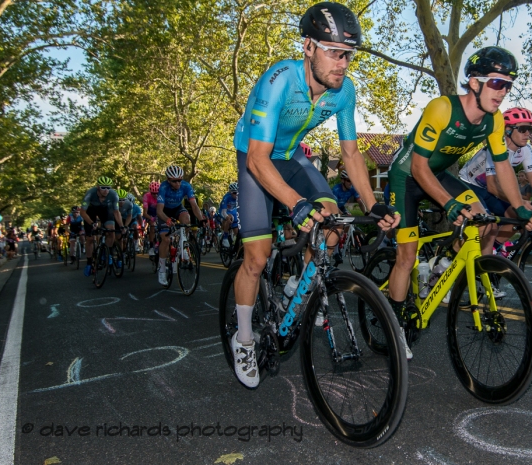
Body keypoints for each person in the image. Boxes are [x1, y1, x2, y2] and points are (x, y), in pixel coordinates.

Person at [230, 2, 398, 388]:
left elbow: (351, 153)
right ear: (308, 47)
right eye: (334, 53)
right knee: (255, 258)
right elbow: (258, 159)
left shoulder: (344, 92)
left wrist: (373, 204)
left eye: (348, 55)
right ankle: (242, 339)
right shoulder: (280, 79)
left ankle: (296, 287)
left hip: (290, 157)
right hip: (255, 156)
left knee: (333, 222)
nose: (342, 63)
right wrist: (295, 203)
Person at [386, 47, 532, 360]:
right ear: (475, 82)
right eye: (497, 83)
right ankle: (395, 325)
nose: (503, 92)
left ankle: (444, 262)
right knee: (406, 255)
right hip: (407, 177)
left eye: (508, 85)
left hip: (438, 175)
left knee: (485, 222)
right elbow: (418, 167)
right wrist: (448, 204)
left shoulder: (494, 121)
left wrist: (520, 207)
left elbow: (503, 167)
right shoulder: (442, 108)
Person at [459, 107, 532, 247]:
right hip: (471, 185)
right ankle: (456, 255)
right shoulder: (496, 147)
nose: (527, 134)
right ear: (508, 130)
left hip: (489, 189)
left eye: (530, 129)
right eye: (522, 129)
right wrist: (520, 201)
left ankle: (492, 253)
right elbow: (492, 186)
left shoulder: (526, 149)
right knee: (487, 226)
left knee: (518, 217)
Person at [156, 165, 206, 286]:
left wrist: (201, 219)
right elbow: (159, 211)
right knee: (166, 239)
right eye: (174, 181)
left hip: (178, 208)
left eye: (180, 180)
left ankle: (183, 245)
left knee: (186, 219)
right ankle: (162, 269)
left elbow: (194, 205)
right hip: (164, 212)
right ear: (168, 180)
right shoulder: (163, 187)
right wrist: (167, 220)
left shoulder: (186, 186)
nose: (178, 183)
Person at [80, 176, 124, 276]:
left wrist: (121, 226)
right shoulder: (90, 193)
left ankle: (106, 253)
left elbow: (116, 212)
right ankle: (89, 262)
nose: (106, 190)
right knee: (90, 238)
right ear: (98, 187)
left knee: (111, 231)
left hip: (105, 210)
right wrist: (92, 223)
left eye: (108, 187)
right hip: (90, 211)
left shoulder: (113, 195)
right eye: (103, 187)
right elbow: (82, 212)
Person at [219, 183, 239, 247]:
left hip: (233, 213)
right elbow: (223, 212)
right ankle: (225, 237)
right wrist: (227, 217)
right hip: (224, 212)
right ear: (230, 192)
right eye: (234, 193)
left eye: (237, 193)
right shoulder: (226, 197)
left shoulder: (239, 198)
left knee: (238, 234)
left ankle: (236, 246)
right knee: (229, 218)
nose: (236, 194)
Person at [143, 181, 160, 256]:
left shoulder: (162, 196)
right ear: (150, 192)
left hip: (158, 213)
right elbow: (145, 213)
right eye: (153, 193)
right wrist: (151, 218)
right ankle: (151, 247)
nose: (156, 195)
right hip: (149, 214)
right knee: (152, 226)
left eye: (157, 193)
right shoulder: (147, 196)